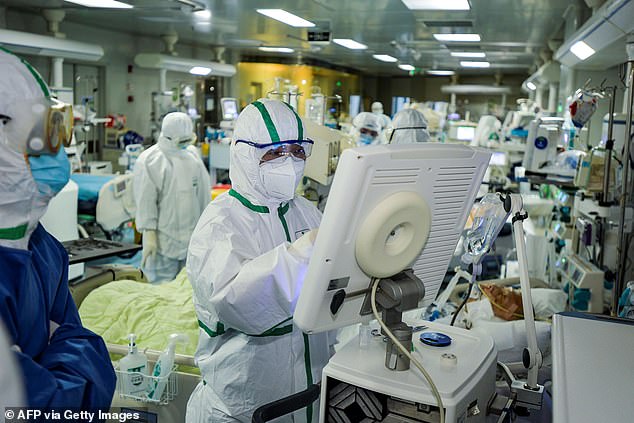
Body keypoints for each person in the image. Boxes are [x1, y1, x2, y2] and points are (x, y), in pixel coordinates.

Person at [186, 99, 336, 422]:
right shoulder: (221, 223)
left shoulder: (307, 213)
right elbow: (237, 301)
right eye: (275, 152)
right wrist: (306, 254)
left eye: (297, 151)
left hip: (309, 403)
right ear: (244, 154)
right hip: (242, 411)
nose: (290, 162)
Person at [0, 48, 115, 408]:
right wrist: (63, 353)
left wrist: (55, 355)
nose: (55, 154)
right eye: (39, 137)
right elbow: (37, 409)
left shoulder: (40, 246)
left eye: (56, 131)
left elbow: (81, 343)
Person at [133, 112, 211, 283]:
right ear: (168, 137)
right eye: (180, 142)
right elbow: (145, 202)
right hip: (162, 242)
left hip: (191, 241)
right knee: (159, 289)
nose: (184, 146)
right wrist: (149, 235)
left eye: (187, 141)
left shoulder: (193, 158)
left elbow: (204, 196)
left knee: (187, 289)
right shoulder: (151, 160)